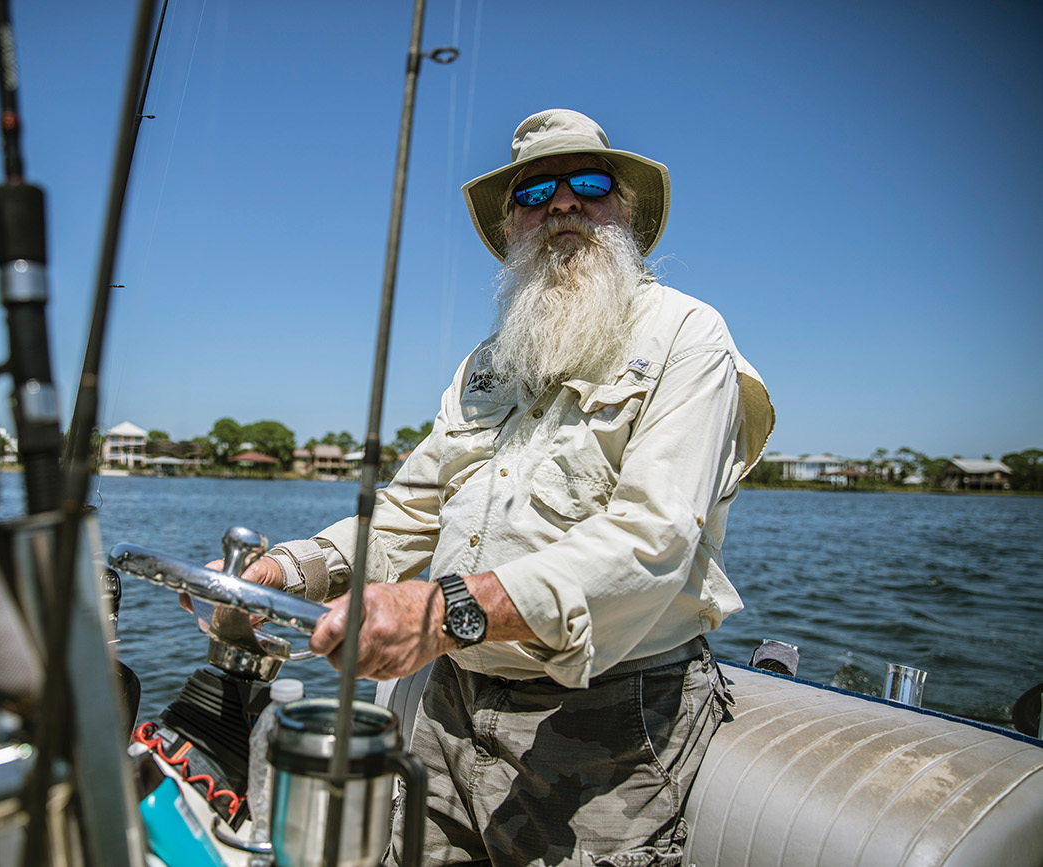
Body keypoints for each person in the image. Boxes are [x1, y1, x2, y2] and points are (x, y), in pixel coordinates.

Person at [235, 109, 774, 867]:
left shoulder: (690, 335)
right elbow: (406, 512)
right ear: (514, 227)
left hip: (607, 722)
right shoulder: (486, 363)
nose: (561, 204)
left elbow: (653, 539)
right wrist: (290, 570)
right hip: (449, 707)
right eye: (534, 192)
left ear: (624, 209)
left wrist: (447, 609)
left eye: (588, 182)